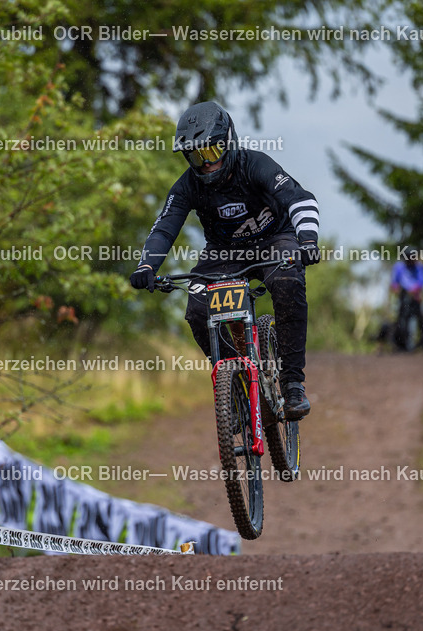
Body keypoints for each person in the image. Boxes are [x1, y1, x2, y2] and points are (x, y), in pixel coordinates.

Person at [129, 101, 320, 419]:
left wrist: (309, 240)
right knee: (197, 308)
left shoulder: (255, 164)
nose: (205, 164)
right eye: (195, 155)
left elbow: (300, 199)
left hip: (275, 240)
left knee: (287, 282)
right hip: (224, 252)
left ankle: (291, 383)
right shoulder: (186, 186)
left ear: (229, 141)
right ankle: (238, 383)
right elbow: (164, 227)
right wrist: (147, 266)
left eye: (212, 151)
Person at [389, 256, 423, 351]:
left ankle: (414, 344)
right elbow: (395, 282)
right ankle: (400, 343)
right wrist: (395, 287)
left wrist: (417, 292)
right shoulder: (399, 266)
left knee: (415, 318)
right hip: (403, 295)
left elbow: (422, 281)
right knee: (402, 319)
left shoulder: (419, 266)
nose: (411, 260)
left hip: (415, 295)